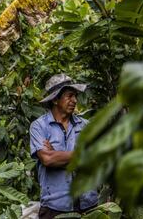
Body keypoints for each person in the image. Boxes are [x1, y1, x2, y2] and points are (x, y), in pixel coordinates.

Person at [29, 73, 98, 219]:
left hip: (88, 204)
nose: (74, 100)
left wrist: (57, 155)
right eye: (69, 96)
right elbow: (47, 159)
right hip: (54, 207)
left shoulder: (85, 126)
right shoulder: (39, 127)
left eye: (75, 96)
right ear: (55, 99)